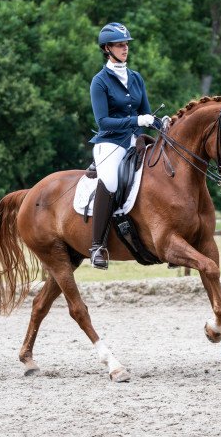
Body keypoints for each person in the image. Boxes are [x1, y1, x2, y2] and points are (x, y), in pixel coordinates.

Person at [88, 22, 155, 269]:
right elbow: (103, 121)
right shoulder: (100, 81)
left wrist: (161, 122)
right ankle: (97, 246)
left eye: (126, 44)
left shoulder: (136, 78)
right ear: (107, 48)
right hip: (110, 143)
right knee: (112, 181)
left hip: (135, 141)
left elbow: (146, 112)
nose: (125, 48)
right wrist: (136, 120)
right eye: (119, 45)